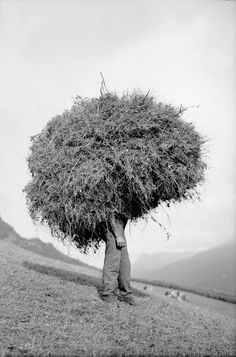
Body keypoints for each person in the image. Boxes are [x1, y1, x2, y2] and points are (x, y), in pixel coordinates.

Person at [101, 216, 136, 305]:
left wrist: (120, 232)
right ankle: (107, 293)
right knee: (113, 260)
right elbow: (108, 211)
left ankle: (125, 294)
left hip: (120, 226)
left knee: (125, 263)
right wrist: (117, 234)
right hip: (111, 226)